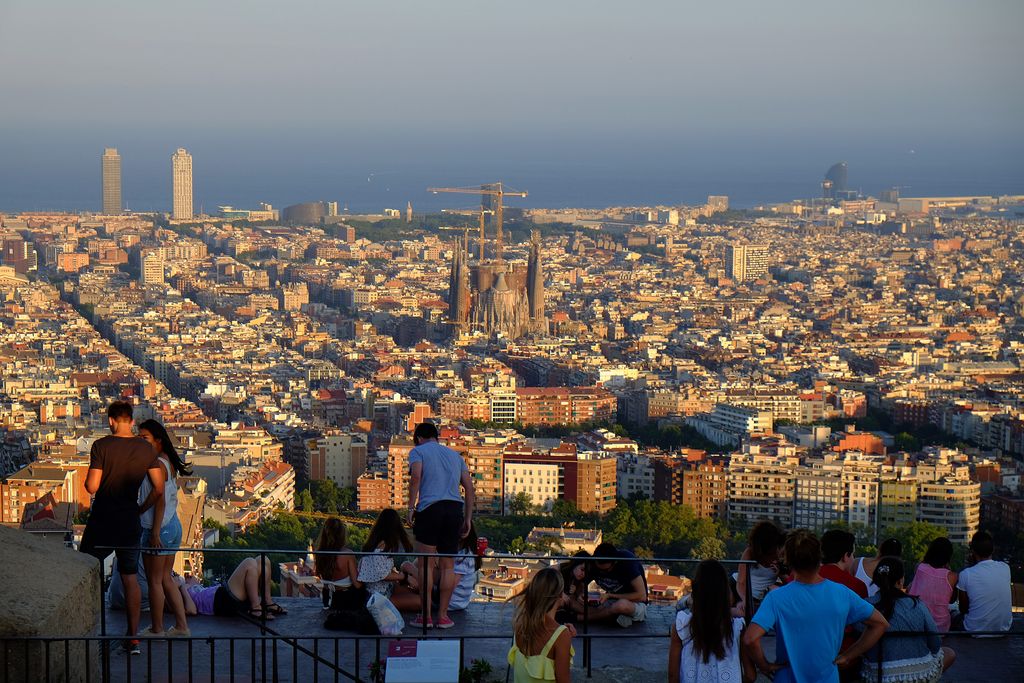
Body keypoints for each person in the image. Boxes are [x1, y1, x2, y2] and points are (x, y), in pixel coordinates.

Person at [743, 529, 889, 683]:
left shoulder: (776, 597)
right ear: (819, 556)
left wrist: (764, 666)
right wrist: (848, 655)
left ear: (788, 560)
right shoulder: (841, 593)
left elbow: (750, 639)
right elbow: (880, 623)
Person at [80, 401, 165, 655]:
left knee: (86, 569)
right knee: (130, 578)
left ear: (111, 421)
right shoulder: (146, 449)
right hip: (129, 521)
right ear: (131, 420)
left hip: (103, 520)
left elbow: (92, 487)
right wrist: (140, 508)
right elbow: (158, 488)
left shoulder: (101, 446)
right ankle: (133, 637)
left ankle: (88, 629)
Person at [406, 422, 475, 629]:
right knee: (448, 566)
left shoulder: (418, 452)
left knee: (426, 564)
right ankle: (443, 616)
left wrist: (411, 508)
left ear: (418, 438)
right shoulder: (455, 456)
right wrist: (468, 518)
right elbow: (469, 489)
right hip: (454, 510)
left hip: (430, 509)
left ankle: (426, 616)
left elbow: (416, 476)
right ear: (436, 436)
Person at [861, 557, 955, 683]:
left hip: (878, 676)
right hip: (917, 677)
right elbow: (935, 644)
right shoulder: (917, 604)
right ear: (900, 581)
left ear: (877, 580)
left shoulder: (865, 606)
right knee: (949, 653)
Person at [137, 419, 191, 637]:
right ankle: (181, 626)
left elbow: (158, 497)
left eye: (145, 438)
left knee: (155, 581)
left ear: (157, 440)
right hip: (173, 525)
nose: (141, 442)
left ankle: (157, 628)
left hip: (158, 528)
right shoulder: (167, 461)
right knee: (167, 579)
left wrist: (146, 519)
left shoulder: (156, 464)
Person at [669, 559, 754, 683]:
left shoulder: (681, 627)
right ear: (726, 593)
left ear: (695, 593)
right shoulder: (738, 628)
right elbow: (751, 676)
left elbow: (673, 677)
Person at [507, 567, 576, 683]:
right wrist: (564, 637)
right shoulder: (561, 635)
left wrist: (563, 636)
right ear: (560, 595)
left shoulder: (520, 623)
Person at [820, 529, 868, 682]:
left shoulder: (804, 576)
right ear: (845, 556)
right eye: (852, 554)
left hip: (807, 654)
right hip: (844, 657)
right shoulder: (856, 585)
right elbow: (863, 625)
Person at [174, 557, 286, 619]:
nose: (177, 576)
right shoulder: (178, 593)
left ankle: (267, 602)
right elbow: (192, 610)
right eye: (173, 576)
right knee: (249, 562)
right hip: (222, 602)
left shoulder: (186, 587)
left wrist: (193, 583)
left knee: (263, 560)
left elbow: (201, 591)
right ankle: (256, 608)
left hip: (223, 594)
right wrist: (183, 587)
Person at [358, 508, 421, 613]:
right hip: (378, 598)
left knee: (419, 595)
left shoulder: (378, 544)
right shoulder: (381, 547)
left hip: (386, 590)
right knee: (421, 602)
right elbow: (383, 575)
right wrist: (405, 577)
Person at [955, 530, 1012, 634]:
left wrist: (972, 565)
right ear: (993, 549)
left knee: (953, 617)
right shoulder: (1005, 568)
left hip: (974, 629)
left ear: (973, 551)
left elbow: (963, 608)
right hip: (1003, 629)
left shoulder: (966, 574)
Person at [584, 542, 648, 628]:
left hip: (634, 603)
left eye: (606, 570)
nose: (603, 572)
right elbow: (582, 585)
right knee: (578, 604)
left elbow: (641, 596)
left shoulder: (627, 562)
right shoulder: (594, 564)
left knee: (620, 606)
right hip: (609, 602)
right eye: (599, 569)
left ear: (615, 562)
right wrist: (581, 596)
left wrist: (611, 595)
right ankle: (612, 617)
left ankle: (589, 618)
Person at [734, 520, 785, 614]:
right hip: (741, 591)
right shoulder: (750, 553)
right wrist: (745, 599)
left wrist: (779, 573)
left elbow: (787, 582)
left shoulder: (780, 556)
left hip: (761, 597)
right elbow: (741, 582)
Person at [908, 537, 957, 633]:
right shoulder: (952, 576)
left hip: (917, 624)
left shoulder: (920, 568)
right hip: (940, 628)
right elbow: (952, 600)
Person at [314, 517, 362, 609]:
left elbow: (318, 575)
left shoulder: (319, 553)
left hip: (327, 599)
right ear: (342, 535)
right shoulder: (347, 554)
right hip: (345, 599)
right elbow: (357, 584)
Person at [557, 551, 591, 620]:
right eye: (582, 569)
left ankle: (599, 613)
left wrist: (578, 595)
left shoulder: (578, 579)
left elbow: (579, 595)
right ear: (575, 564)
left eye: (586, 572)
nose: (583, 574)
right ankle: (600, 614)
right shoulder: (557, 569)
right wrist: (561, 593)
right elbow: (546, 586)